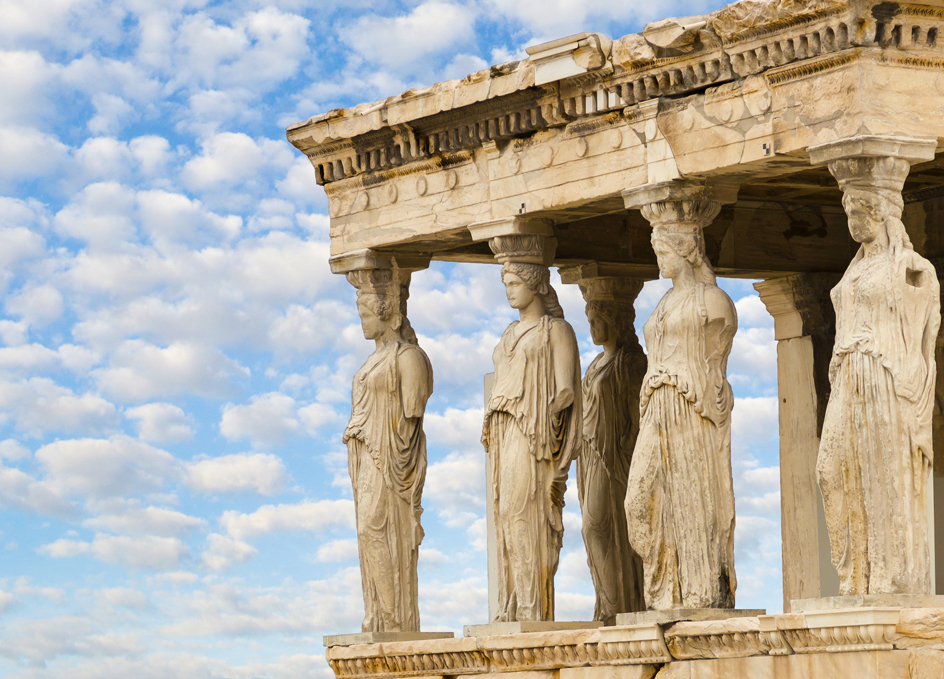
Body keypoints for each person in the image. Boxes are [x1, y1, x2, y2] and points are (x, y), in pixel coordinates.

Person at [817, 185, 940, 595]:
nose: (853, 219)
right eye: (849, 210)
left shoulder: (910, 267)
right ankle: (854, 576)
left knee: (883, 474)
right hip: (847, 374)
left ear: (883, 214)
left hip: (884, 376)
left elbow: (925, 332)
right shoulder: (852, 270)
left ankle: (892, 579)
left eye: (860, 210)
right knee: (830, 471)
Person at [625, 223, 738, 610]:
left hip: (690, 408)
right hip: (657, 406)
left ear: (686, 250)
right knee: (639, 501)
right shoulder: (662, 306)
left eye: (665, 250)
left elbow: (716, 364)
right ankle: (664, 590)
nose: (659, 257)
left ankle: (698, 591)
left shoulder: (714, 302)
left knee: (693, 497)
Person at [482, 262, 582, 622]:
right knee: (505, 515)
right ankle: (512, 603)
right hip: (504, 429)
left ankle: (531, 607)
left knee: (522, 512)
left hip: (533, 433)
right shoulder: (508, 334)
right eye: (505, 283)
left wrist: (545, 412)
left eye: (514, 282)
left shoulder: (557, 330)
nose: (509, 290)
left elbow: (566, 389)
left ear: (536, 282)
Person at [343, 271, 433, 632]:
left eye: (366, 315)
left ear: (385, 314)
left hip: (391, 458)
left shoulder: (409, 357)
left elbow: (412, 410)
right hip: (366, 457)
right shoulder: (369, 362)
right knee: (366, 532)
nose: (362, 323)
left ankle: (395, 615)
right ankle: (378, 612)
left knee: (379, 530)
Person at [578, 282, 647, 624]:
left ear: (615, 321)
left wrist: (630, 448)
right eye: (588, 320)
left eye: (597, 320)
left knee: (598, 526)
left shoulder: (632, 362)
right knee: (592, 528)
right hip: (591, 454)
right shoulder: (593, 365)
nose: (592, 328)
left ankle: (618, 605)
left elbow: (639, 414)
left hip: (617, 457)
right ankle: (608, 603)